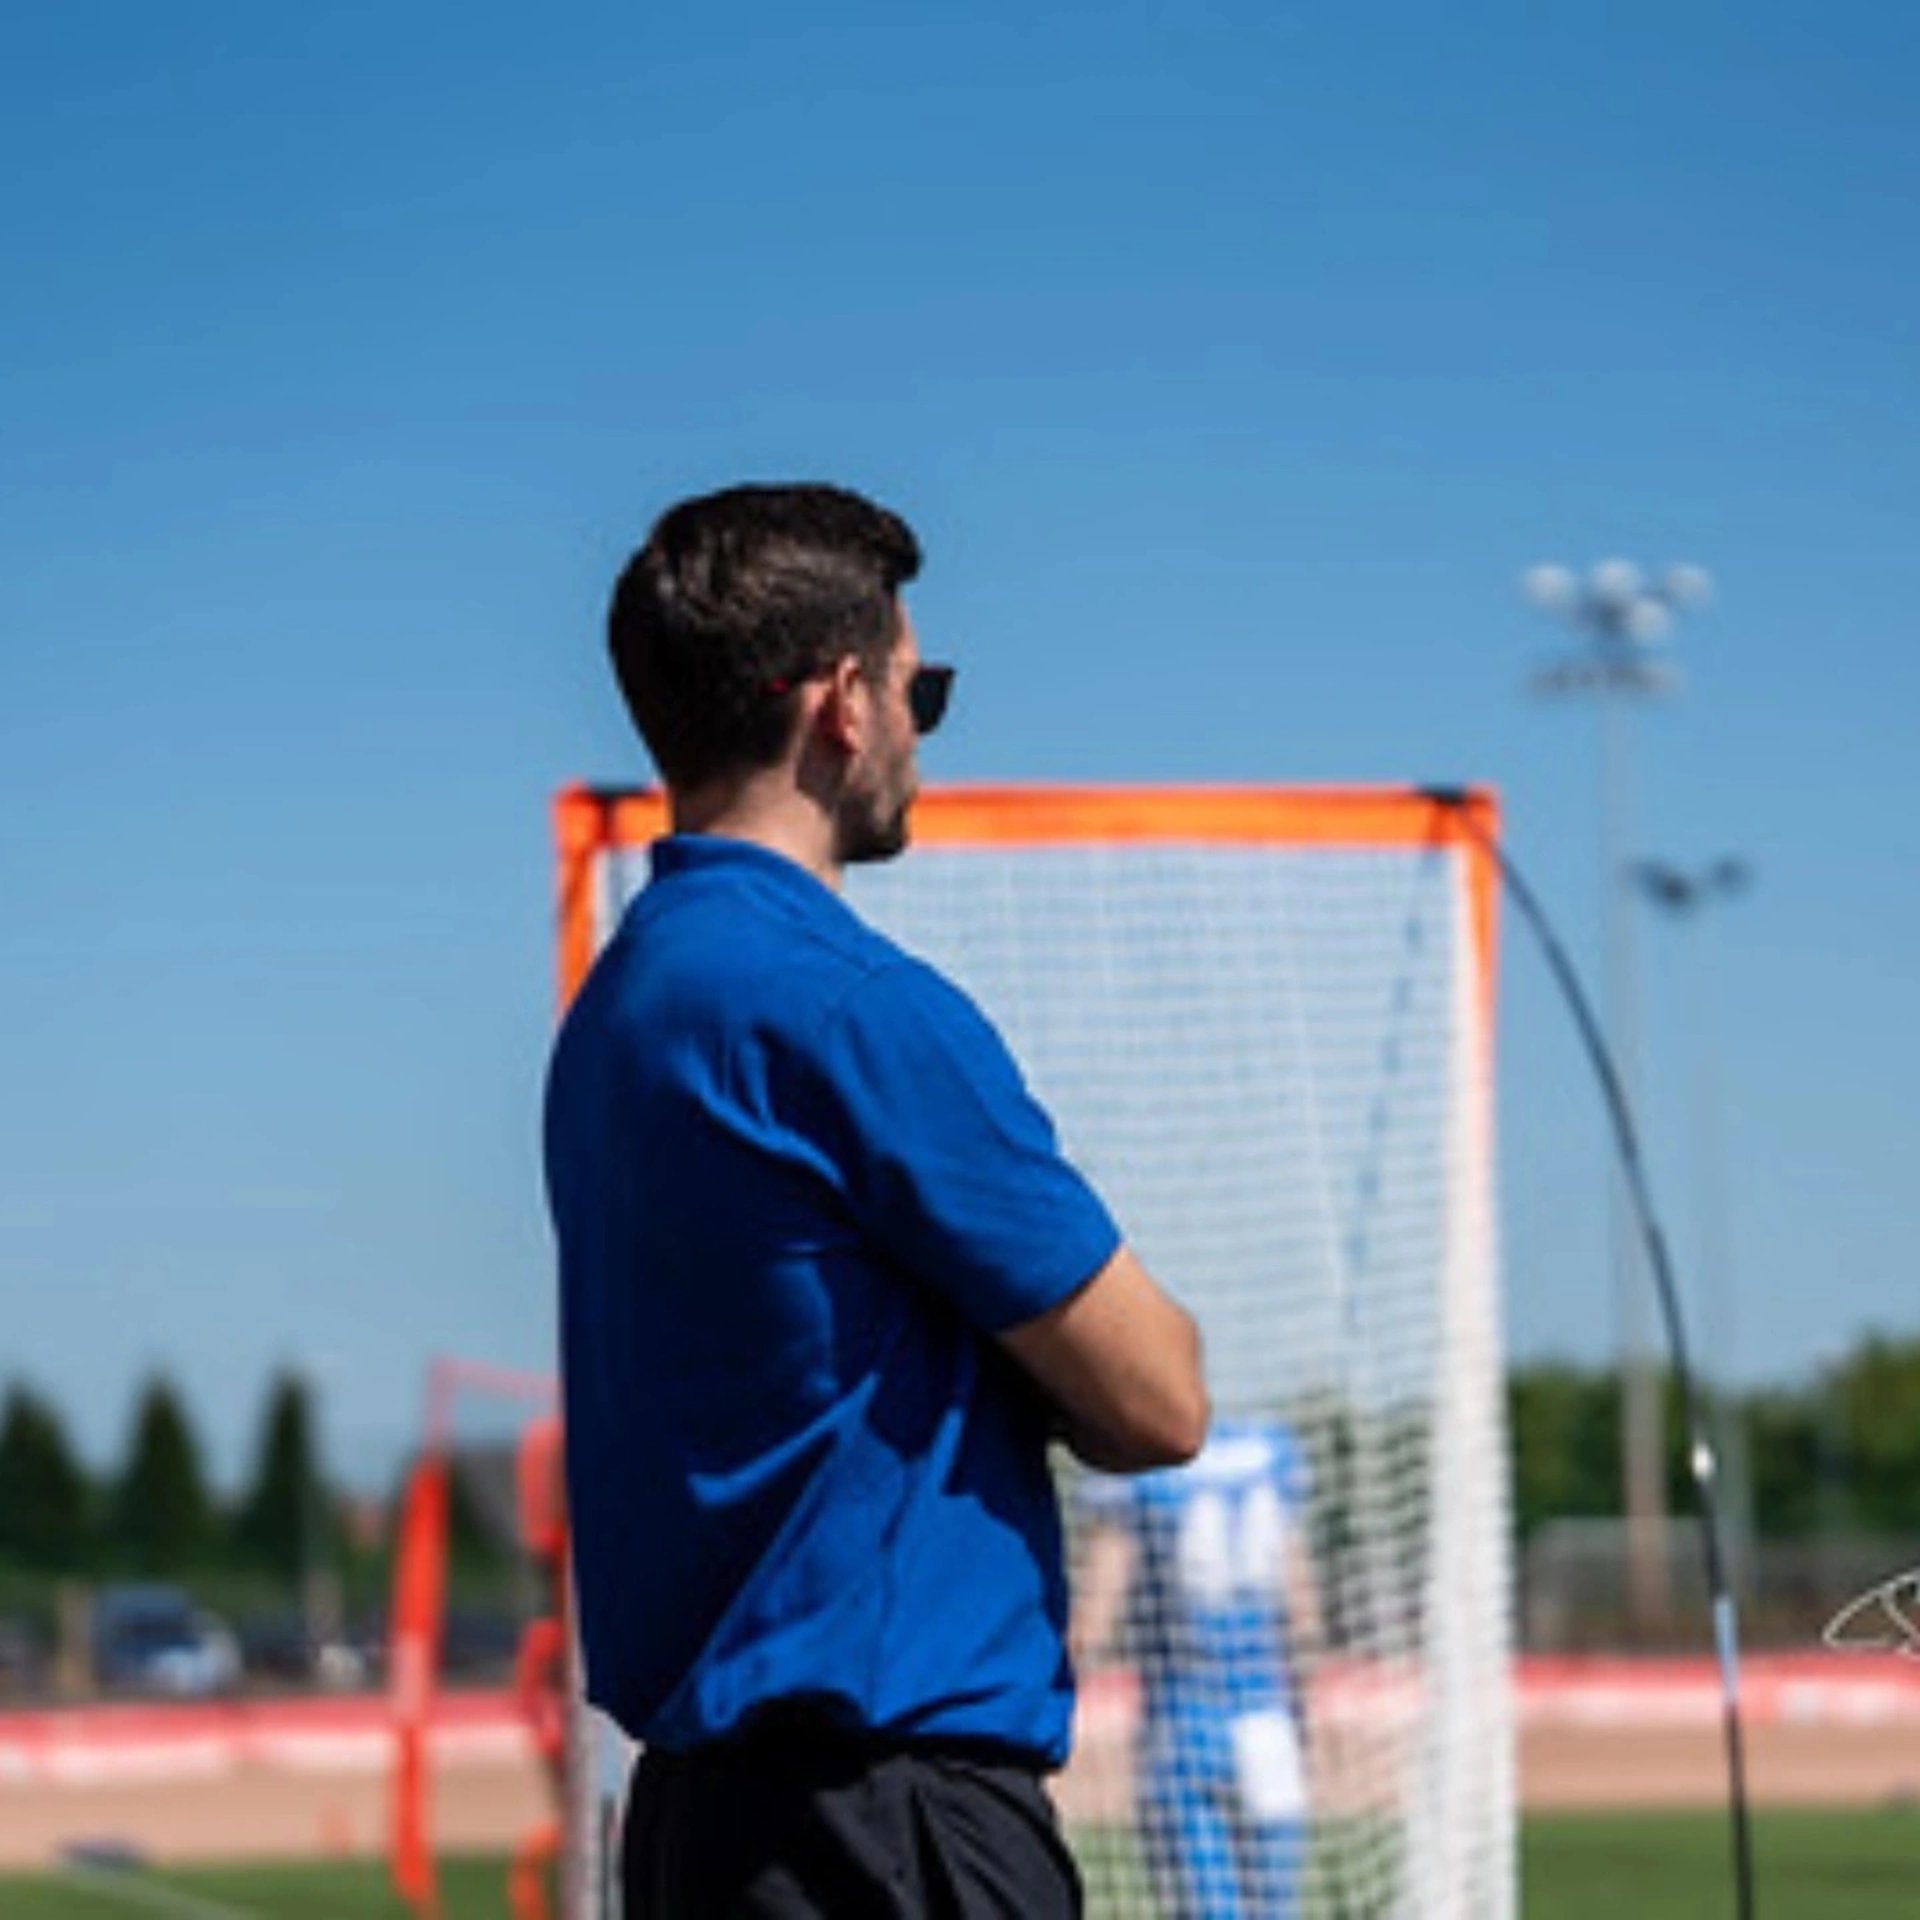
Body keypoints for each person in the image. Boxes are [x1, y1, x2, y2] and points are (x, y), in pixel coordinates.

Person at [544, 482, 1208, 1918]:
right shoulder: (852, 1010)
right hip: (891, 1828)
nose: (922, 728)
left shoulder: (614, 1016)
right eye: (924, 687)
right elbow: (1160, 1399)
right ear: (844, 701)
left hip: (696, 1833)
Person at [1070, 1415, 1321, 1920]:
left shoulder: (1138, 1459)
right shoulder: (1270, 1450)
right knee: (1274, 1905)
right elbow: (1303, 1617)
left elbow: (1095, 1621)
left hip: (1183, 1719)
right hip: (1267, 1715)